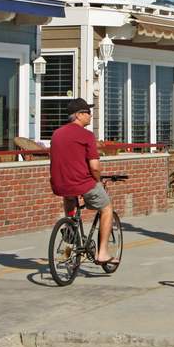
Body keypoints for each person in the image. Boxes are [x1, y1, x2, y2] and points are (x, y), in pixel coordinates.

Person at [49, 98, 117, 266]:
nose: (90, 115)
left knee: (69, 197)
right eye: (87, 112)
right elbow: (94, 167)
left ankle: (70, 231)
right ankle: (102, 253)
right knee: (107, 208)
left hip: (59, 183)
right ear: (79, 115)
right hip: (81, 182)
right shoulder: (87, 135)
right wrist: (98, 181)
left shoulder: (56, 134)